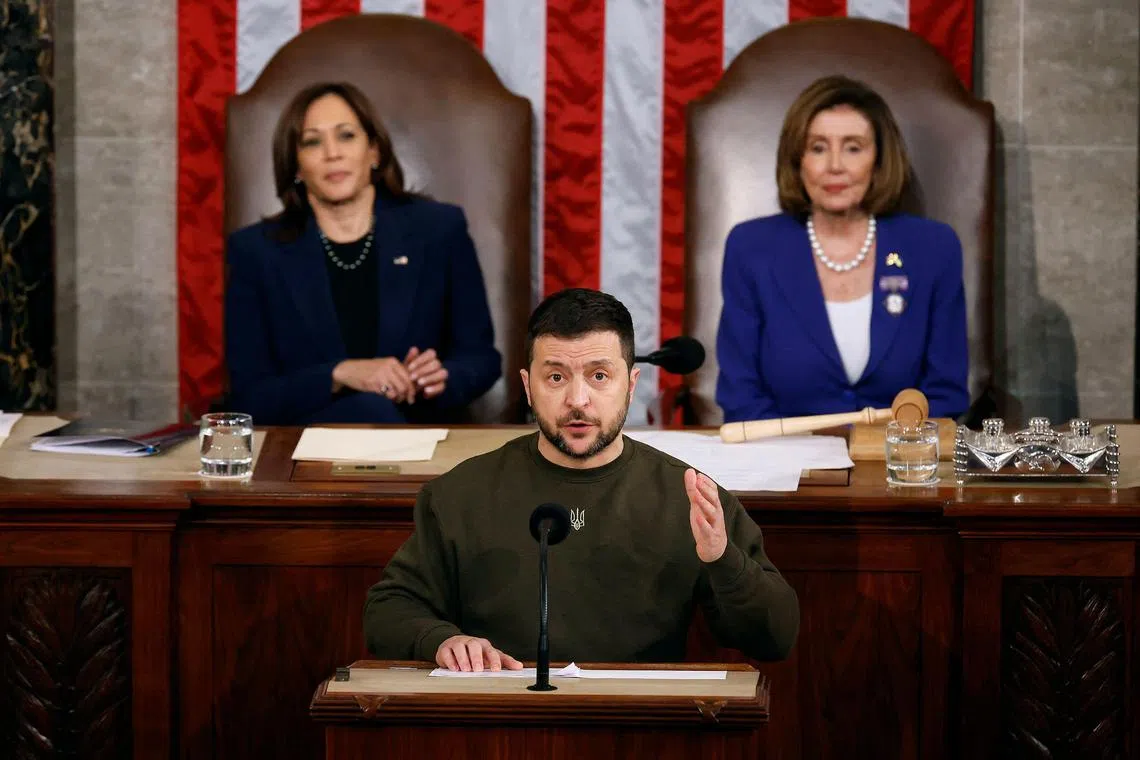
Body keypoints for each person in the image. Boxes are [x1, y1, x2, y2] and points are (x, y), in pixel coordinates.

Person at [364, 288, 799, 671]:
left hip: (641, 732)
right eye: (555, 377)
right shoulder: (460, 493)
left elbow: (776, 637)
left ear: (631, 385)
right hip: (500, 726)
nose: (577, 400)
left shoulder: (688, 495)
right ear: (528, 386)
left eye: (599, 376)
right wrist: (442, 641)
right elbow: (388, 609)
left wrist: (723, 560)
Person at [224, 81, 501, 425]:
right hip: (306, 454)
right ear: (295, 165)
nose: (332, 153)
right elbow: (249, 396)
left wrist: (443, 376)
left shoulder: (439, 229)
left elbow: (481, 359)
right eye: (312, 142)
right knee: (369, 410)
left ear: (374, 151)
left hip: (421, 437)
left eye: (346, 136)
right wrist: (339, 374)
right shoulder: (256, 251)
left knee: (379, 413)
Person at [715, 75, 969, 423]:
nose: (835, 165)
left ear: (879, 160)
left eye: (853, 147)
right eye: (818, 147)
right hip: (784, 463)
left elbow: (946, 393)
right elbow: (740, 395)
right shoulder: (751, 248)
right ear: (797, 160)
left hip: (900, 459)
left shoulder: (934, 248)